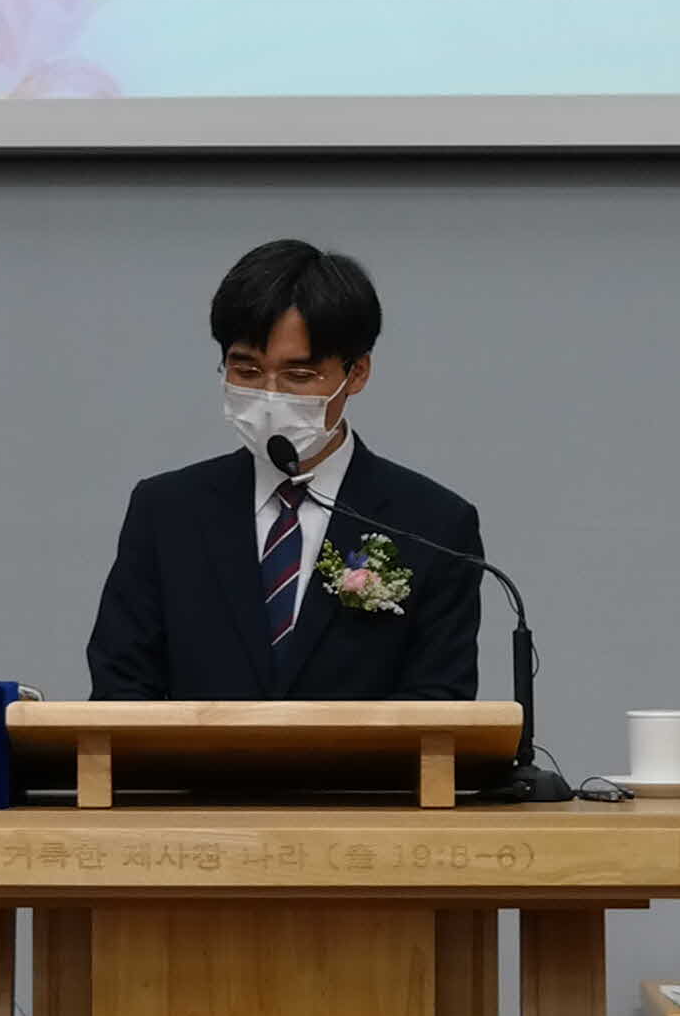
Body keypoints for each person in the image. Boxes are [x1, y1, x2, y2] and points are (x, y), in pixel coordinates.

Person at [83, 238, 485, 702]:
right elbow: (120, 687)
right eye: (247, 372)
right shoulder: (167, 511)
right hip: (195, 753)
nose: (270, 396)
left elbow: (439, 700)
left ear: (357, 373)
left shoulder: (432, 524)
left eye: (298, 376)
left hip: (367, 756)